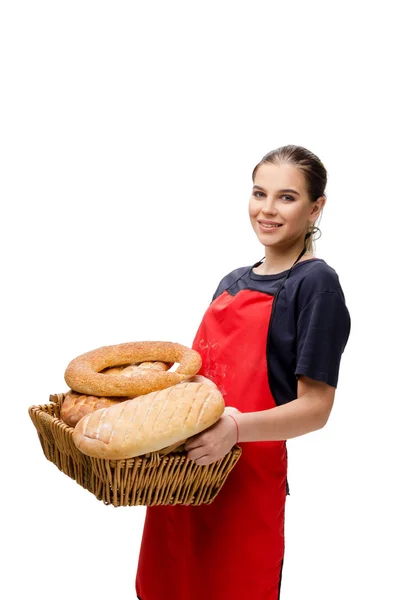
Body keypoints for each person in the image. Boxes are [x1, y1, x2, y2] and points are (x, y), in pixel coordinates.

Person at [135, 144, 351, 600]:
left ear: (317, 207)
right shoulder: (231, 282)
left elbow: (315, 408)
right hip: (181, 478)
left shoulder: (316, 284)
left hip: (245, 484)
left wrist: (233, 429)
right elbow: (197, 383)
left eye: (286, 197)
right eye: (259, 193)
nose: (267, 210)